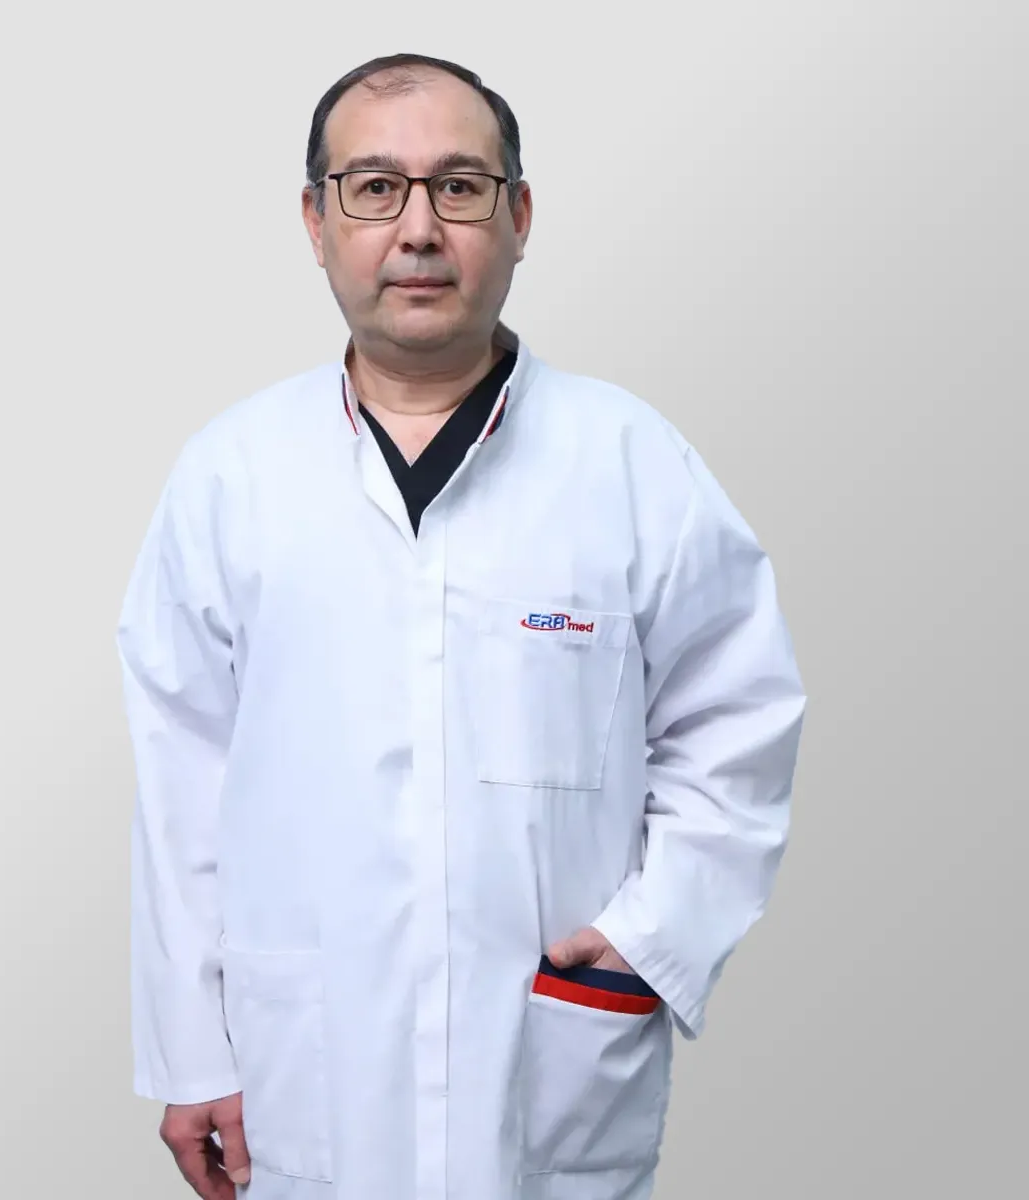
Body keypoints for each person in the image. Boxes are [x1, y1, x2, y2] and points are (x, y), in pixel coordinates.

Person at [116, 52, 806, 1200]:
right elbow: (181, 779)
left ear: (519, 215)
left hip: (550, 1064)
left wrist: (653, 936)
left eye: (460, 186)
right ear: (317, 221)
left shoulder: (632, 464)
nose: (419, 229)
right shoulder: (231, 477)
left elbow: (739, 721)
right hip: (304, 1063)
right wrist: (192, 1053)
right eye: (375, 188)